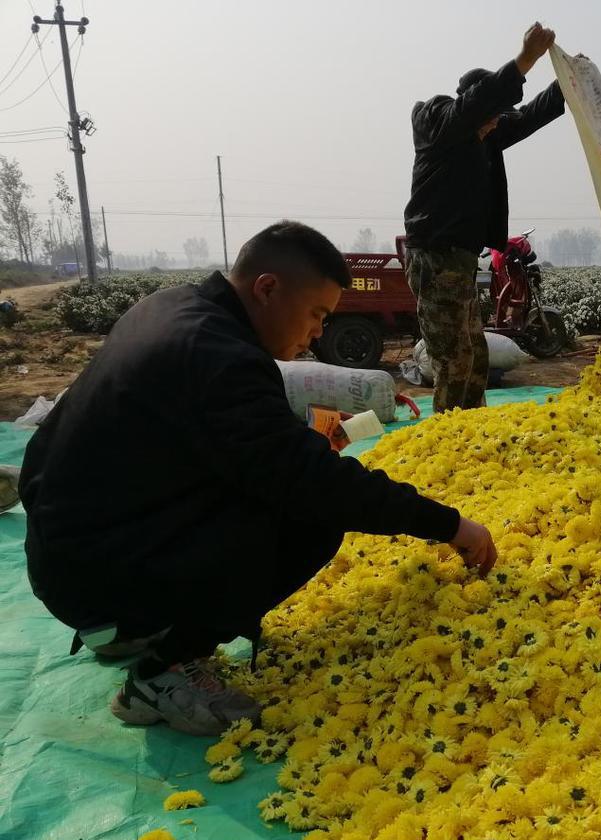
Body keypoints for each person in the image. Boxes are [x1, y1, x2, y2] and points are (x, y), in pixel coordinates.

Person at [18, 221, 498, 737]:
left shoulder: (172, 307)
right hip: (95, 577)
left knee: (277, 487)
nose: (317, 333)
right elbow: (318, 486)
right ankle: (162, 670)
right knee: (307, 521)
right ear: (267, 289)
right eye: (316, 314)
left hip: (68, 551)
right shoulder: (221, 359)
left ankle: (134, 628)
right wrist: (449, 525)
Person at [403, 22, 565, 413]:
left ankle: (471, 431)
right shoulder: (436, 121)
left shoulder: (484, 132)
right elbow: (472, 108)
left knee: (474, 357)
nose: (497, 124)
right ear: (475, 106)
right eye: (492, 115)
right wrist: (526, 60)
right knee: (453, 361)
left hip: (458, 261)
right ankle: (445, 437)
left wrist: (567, 84)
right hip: (435, 258)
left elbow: (526, 118)